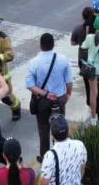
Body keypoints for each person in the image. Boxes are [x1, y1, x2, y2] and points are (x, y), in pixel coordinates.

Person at [26, 33, 73, 161]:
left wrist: (45, 94)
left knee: (43, 128)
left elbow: (29, 84)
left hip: (43, 101)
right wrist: (67, 94)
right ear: (53, 44)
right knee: (60, 126)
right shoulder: (63, 59)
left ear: (40, 45)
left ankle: (45, 157)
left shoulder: (34, 62)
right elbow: (69, 81)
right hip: (60, 98)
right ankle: (62, 155)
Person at [39, 114, 86, 185]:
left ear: (52, 134)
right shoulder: (80, 145)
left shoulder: (50, 156)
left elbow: (44, 182)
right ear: (68, 130)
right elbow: (82, 169)